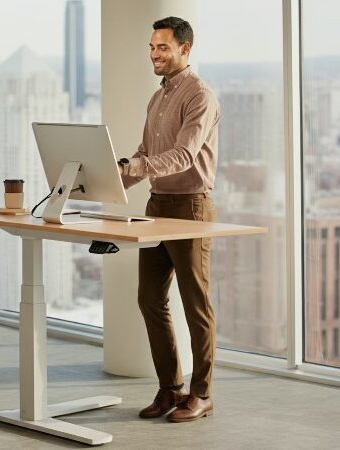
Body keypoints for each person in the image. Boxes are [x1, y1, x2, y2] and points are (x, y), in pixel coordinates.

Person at [117, 16, 220, 423]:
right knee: (150, 299)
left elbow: (183, 156)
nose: (154, 55)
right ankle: (169, 388)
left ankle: (202, 393)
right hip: (158, 204)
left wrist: (135, 166)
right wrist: (117, 176)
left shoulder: (200, 95)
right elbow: (146, 149)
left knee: (196, 304)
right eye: (151, 48)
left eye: (162, 47)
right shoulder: (157, 98)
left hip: (191, 206)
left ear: (185, 49)